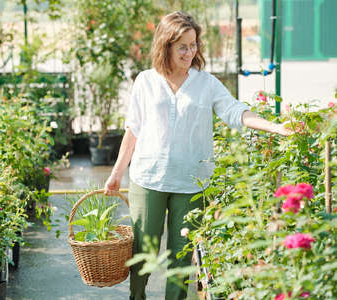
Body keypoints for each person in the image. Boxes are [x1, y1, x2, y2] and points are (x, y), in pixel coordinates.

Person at [103, 11, 293, 300]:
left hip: (192, 182)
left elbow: (235, 111)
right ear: (165, 45)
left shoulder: (207, 83)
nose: (190, 52)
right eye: (182, 46)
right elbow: (133, 131)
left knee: (180, 259)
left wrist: (277, 127)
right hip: (148, 178)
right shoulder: (145, 81)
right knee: (144, 252)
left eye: (193, 45)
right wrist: (117, 173)